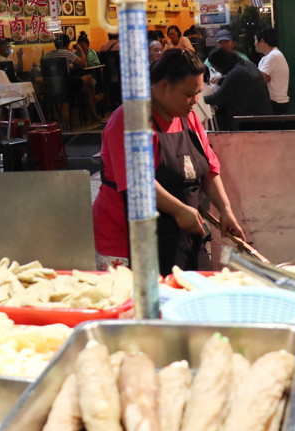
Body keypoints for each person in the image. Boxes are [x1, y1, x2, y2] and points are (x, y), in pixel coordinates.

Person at [92, 49, 246, 272]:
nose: (195, 101)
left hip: (181, 235)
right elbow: (139, 183)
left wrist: (225, 209)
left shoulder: (188, 116)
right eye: (189, 94)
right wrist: (180, 211)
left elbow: (210, 168)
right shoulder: (130, 120)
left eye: (198, 93)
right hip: (128, 240)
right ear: (163, 86)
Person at [202, 48, 272, 129]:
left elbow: (217, 98)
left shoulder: (235, 74)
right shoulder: (248, 64)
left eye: (215, 68)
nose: (217, 70)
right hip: (263, 115)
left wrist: (198, 99)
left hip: (251, 121)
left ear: (221, 64)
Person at [42, 33, 100, 122]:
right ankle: (94, 107)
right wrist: (80, 50)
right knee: (89, 79)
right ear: (67, 44)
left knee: (87, 90)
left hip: (51, 88)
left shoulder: (47, 55)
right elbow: (84, 64)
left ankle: (93, 115)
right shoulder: (67, 53)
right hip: (66, 87)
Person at [254, 27, 290, 114]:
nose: (254, 43)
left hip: (276, 103)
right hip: (272, 102)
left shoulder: (273, 56)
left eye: (255, 40)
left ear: (262, 41)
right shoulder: (267, 56)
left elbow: (258, 79)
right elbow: (263, 78)